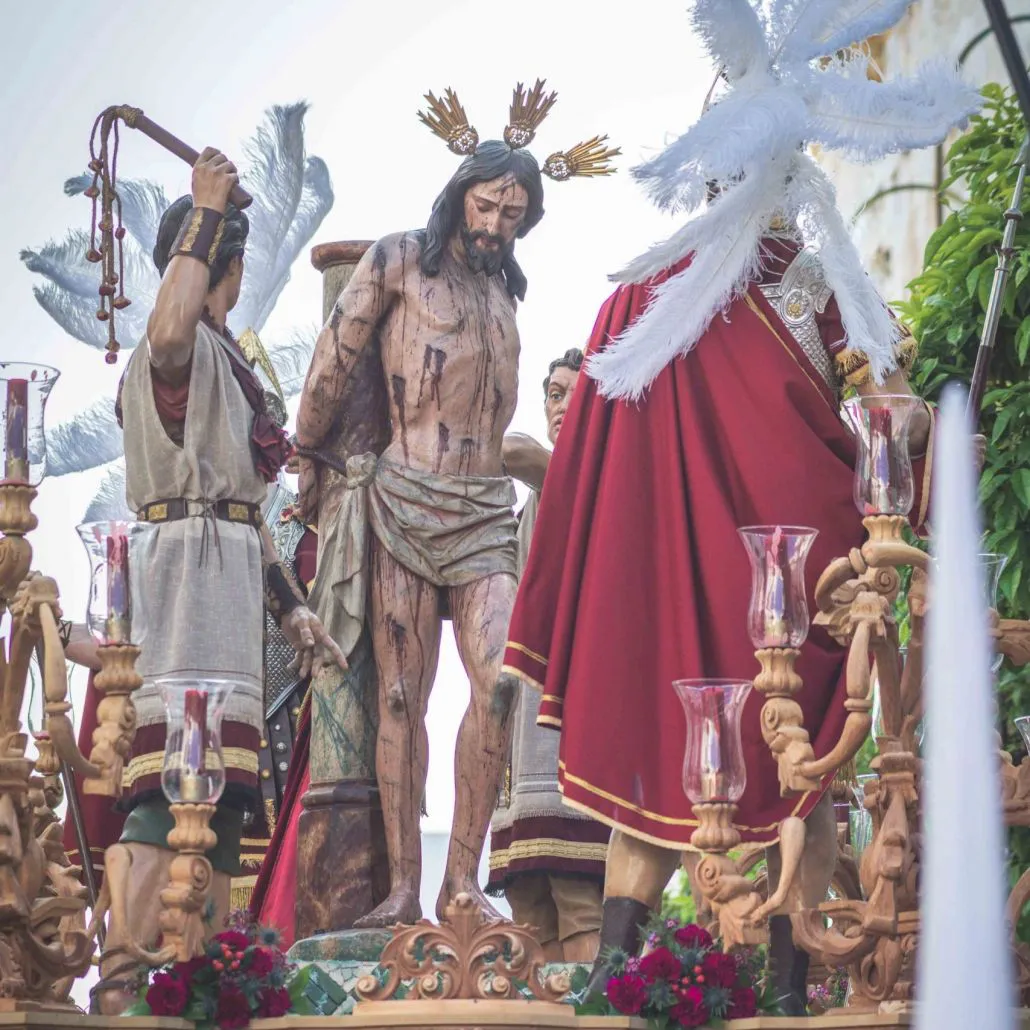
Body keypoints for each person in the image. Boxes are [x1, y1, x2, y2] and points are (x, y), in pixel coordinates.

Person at [501, 4, 980, 1015]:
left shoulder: (819, 288)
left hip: (796, 581)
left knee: (797, 779)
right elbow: (598, 457)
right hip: (688, 573)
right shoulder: (649, 299)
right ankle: (624, 980)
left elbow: (884, 414)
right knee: (679, 765)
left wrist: (925, 419)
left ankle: (779, 976)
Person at [295, 82, 617, 927]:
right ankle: (405, 888)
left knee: (503, 685)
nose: (496, 224)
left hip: (480, 514)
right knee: (401, 697)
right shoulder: (399, 259)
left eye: (514, 214)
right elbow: (334, 361)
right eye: (486, 204)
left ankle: (461, 882)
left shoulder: (507, 291)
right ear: (458, 196)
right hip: (403, 497)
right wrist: (308, 452)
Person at [96, 147, 344, 1012]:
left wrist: (295, 610)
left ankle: (203, 976)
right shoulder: (178, 346)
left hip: (230, 585)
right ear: (218, 267)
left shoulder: (225, 358)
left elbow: (247, 513)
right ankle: (129, 973)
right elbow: (166, 330)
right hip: (185, 590)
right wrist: (202, 214)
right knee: (170, 785)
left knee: (230, 791)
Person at [486, 347, 608, 962]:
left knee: (580, 891)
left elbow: (509, 449)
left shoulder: (598, 478)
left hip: (576, 717)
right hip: (524, 732)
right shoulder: (536, 498)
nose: (561, 405)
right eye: (552, 395)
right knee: (530, 906)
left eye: (572, 392)